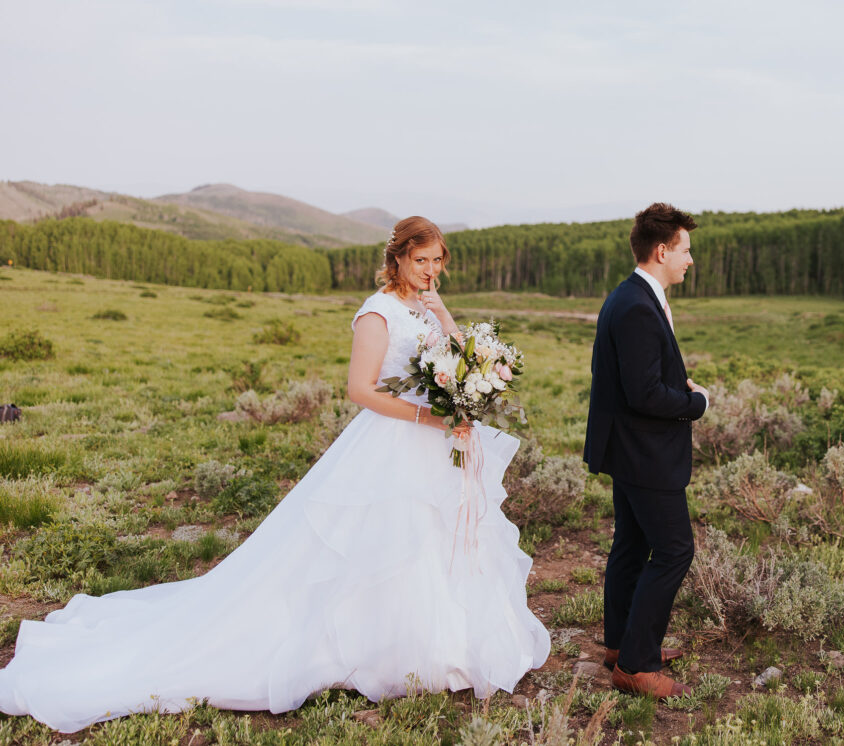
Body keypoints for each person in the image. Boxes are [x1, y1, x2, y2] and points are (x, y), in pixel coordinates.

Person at [0, 216, 550, 733]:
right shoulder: (377, 312)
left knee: (437, 538)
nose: (432, 270)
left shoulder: (427, 305)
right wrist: (427, 415)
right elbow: (360, 391)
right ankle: (378, 646)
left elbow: (453, 355)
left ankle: (441, 639)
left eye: (438, 261)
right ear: (398, 258)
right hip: (396, 437)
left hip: (435, 440)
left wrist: (446, 321)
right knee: (386, 542)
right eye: (423, 260)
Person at [583, 203, 709, 699]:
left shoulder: (632, 295)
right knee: (676, 549)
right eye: (685, 250)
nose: (689, 260)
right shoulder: (637, 305)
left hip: (630, 449)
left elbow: (640, 379)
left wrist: (676, 383)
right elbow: (645, 395)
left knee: (632, 546)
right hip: (645, 452)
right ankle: (636, 664)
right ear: (662, 250)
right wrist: (695, 402)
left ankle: (621, 644)